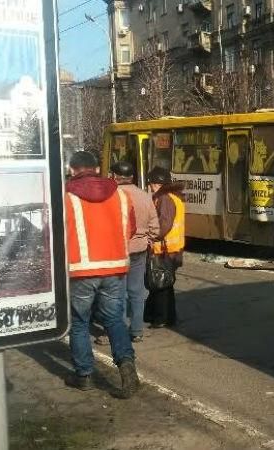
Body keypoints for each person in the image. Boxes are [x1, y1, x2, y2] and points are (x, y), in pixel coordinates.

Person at [64, 151, 140, 399]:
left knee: (79, 323)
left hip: (80, 270)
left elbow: (54, 232)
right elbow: (131, 228)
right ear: (97, 169)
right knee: (114, 319)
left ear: (72, 170)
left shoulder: (66, 196)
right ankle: (127, 367)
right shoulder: (121, 194)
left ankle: (84, 375)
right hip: (115, 268)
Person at [111, 161, 159, 343]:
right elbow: (155, 226)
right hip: (139, 249)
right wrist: (147, 240)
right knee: (137, 291)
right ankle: (137, 330)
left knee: (119, 292)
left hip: (118, 250)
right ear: (132, 177)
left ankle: (121, 329)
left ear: (115, 176)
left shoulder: (112, 196)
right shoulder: (145, 196)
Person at [144, 166, 185, 328]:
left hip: (164, 249)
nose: (150, 186)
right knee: (166, 284)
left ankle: (160, 318)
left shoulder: (165, 199)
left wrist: (152, 236)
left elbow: (164, 224)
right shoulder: (174, 197)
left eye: (151, 183)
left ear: (157, 183)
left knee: (160, 285)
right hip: (172, 248)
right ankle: (166, 317)